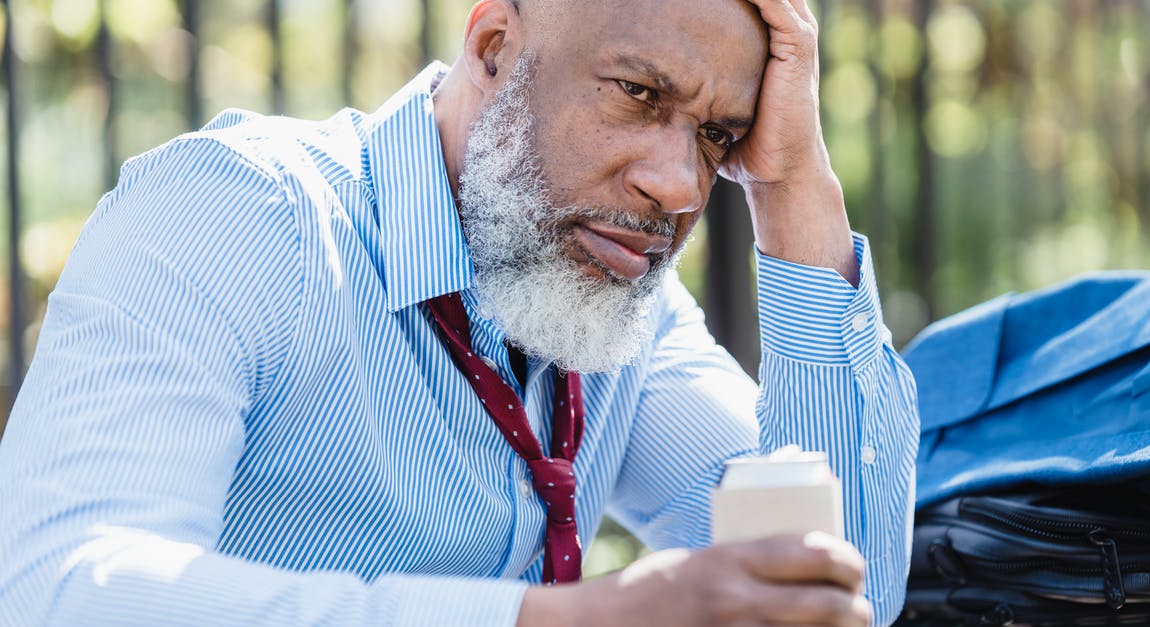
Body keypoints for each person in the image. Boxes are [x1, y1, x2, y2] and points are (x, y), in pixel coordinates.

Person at [0, 0, 919, 625]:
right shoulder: (236, 213)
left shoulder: (622, 314)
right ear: (493, 48)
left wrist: (794, 183)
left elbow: (845, 585)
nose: (678, 186)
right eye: (638, 94)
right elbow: (64, 589)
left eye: (717, 137)